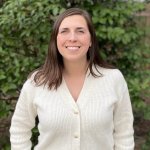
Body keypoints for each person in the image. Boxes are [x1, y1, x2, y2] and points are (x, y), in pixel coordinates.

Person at [10, 8, 134, 150]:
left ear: (91, 40)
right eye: (64, 31)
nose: (72, 38)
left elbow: (124, 132)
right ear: (55, 40)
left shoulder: (113, 79)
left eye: (80, 31)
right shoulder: (37, 82)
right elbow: (19, 128)